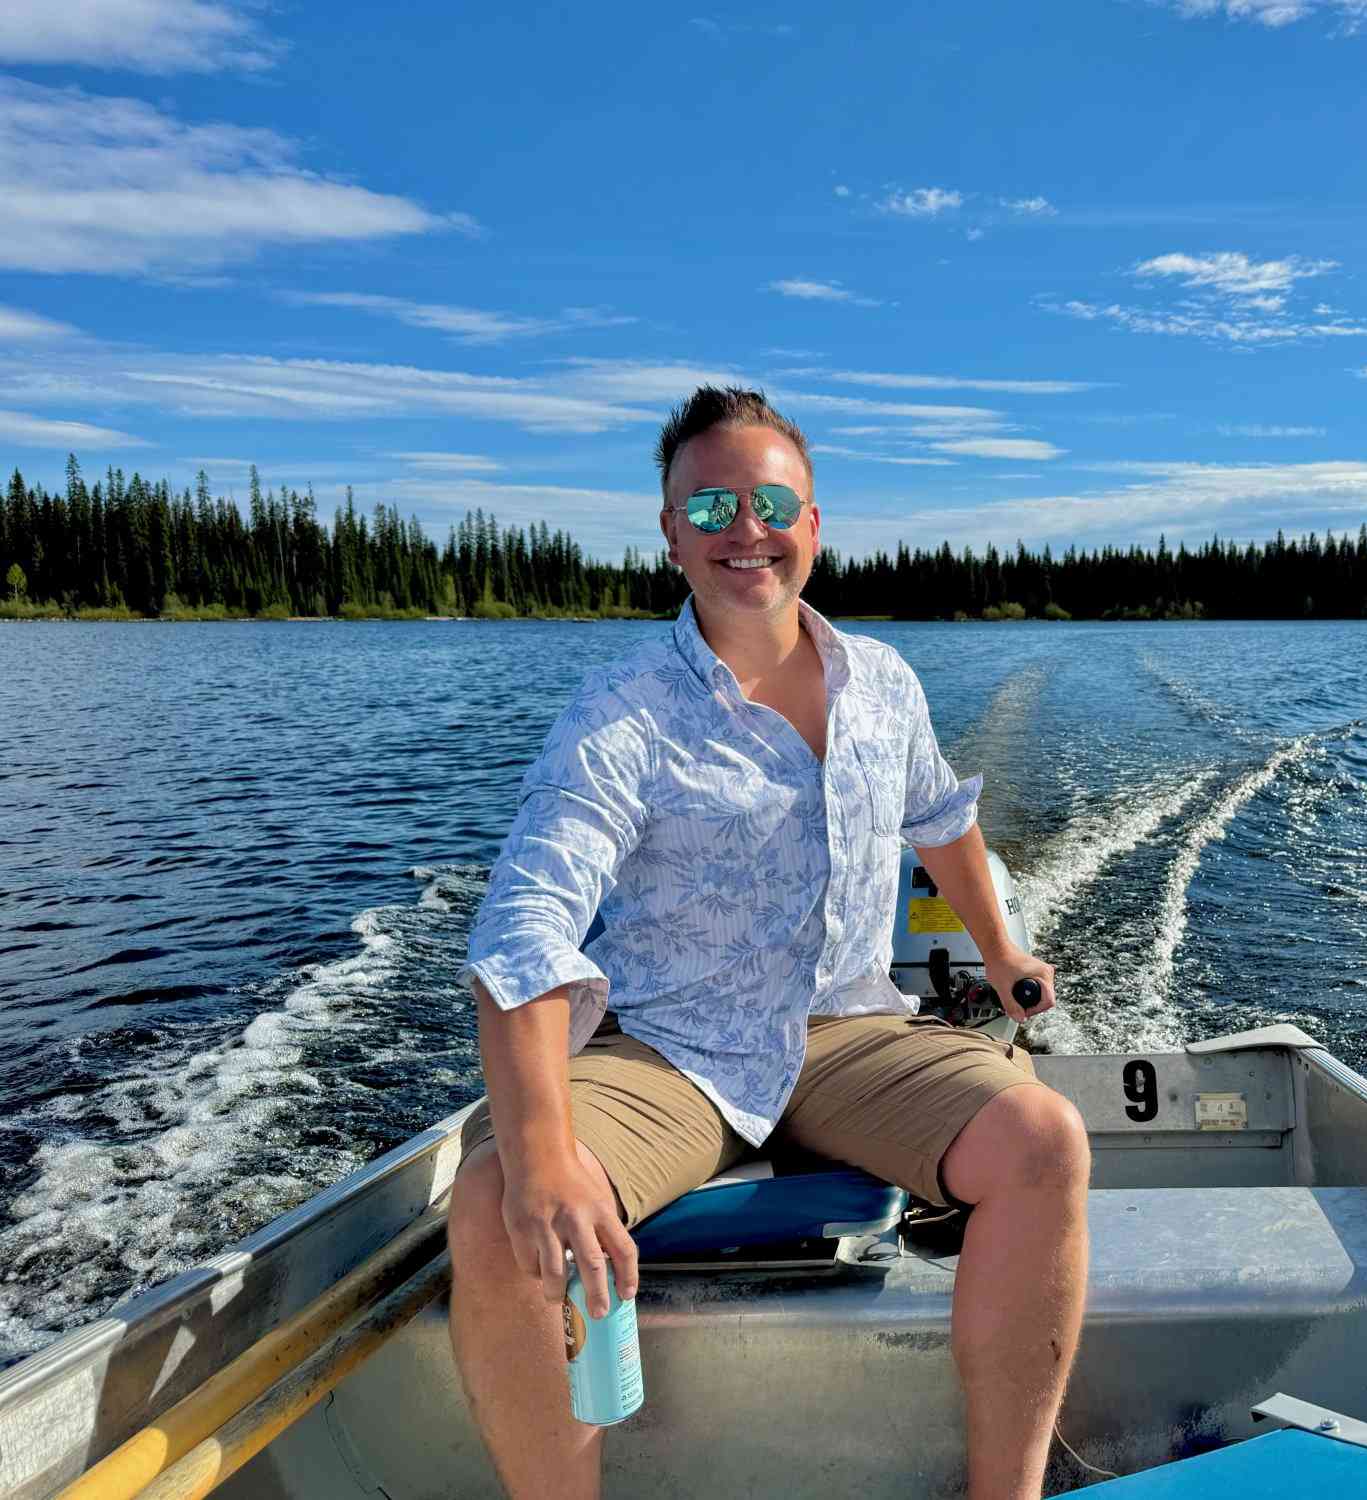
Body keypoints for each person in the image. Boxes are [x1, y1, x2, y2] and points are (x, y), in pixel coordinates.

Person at [446, 385, 1091, 1500]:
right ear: (671, 536)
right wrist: (543, 1152)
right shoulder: (622, 711)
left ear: (813, 525)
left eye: (771, 504)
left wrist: (1001, 957)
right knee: (498, 1199)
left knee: (1045, 1140)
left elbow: (940, 818)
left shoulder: (883, 683)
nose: (745, 528)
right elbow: (527, 922)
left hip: (849, 1031)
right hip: (674, 1049)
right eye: (710, 508)